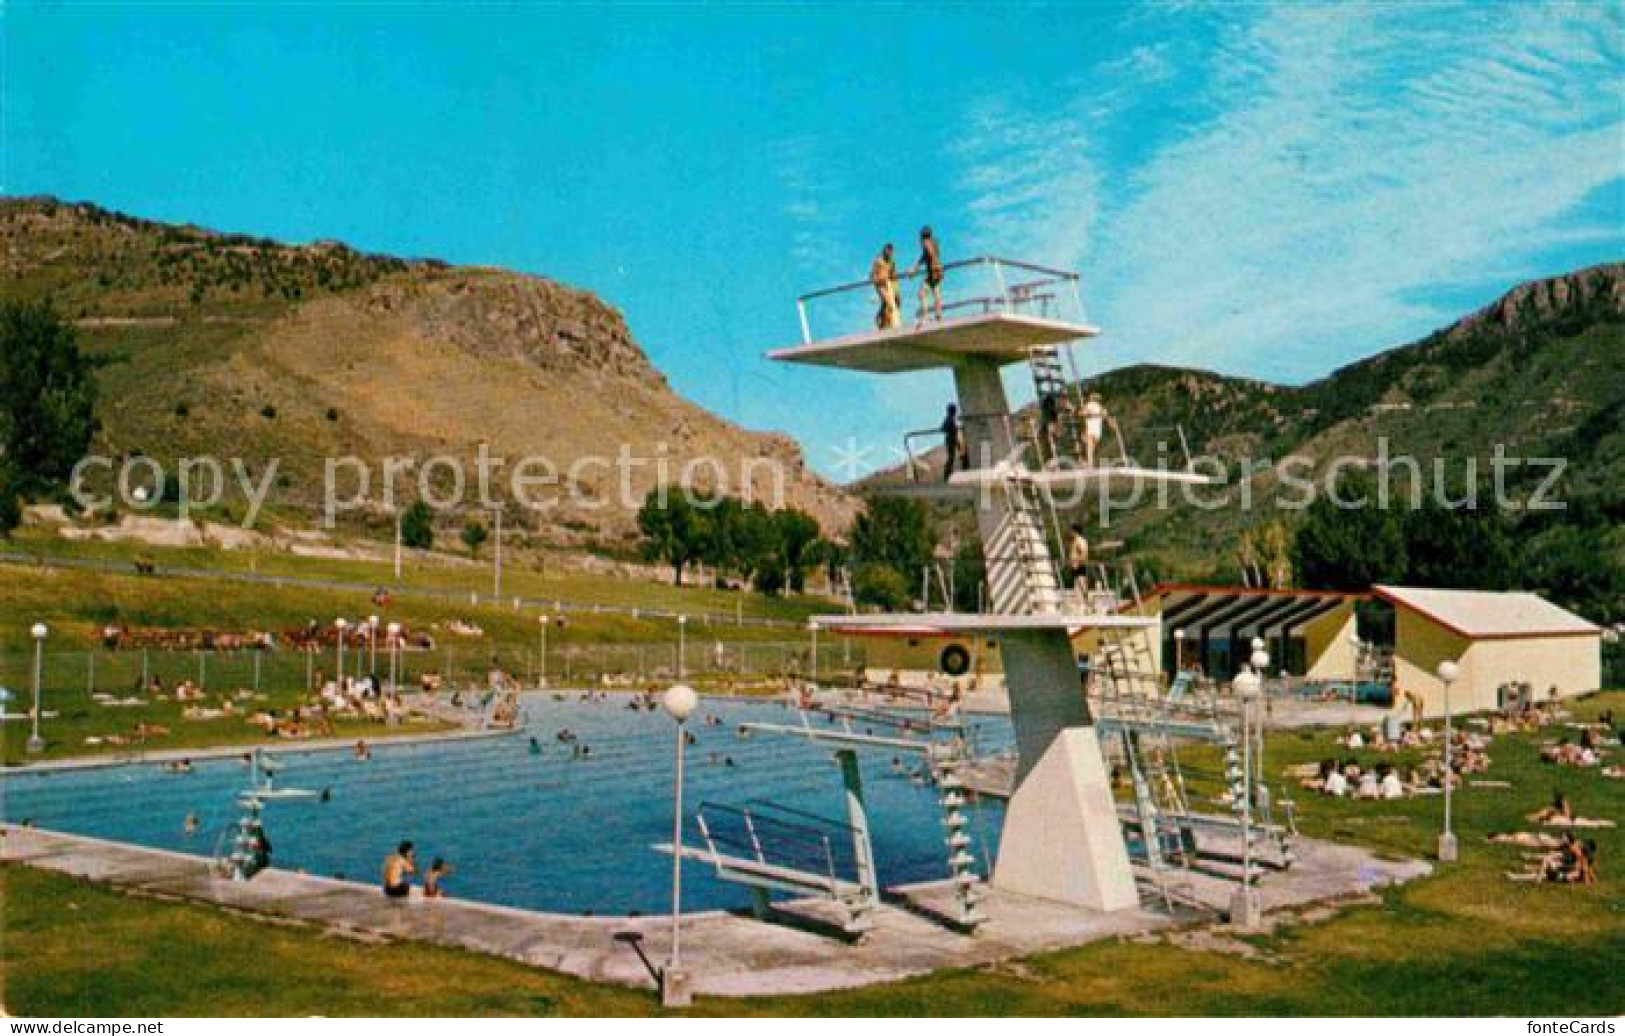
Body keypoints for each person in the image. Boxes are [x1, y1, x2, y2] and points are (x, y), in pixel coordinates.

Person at [909, 225, 944, 325]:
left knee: (922, 293)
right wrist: (915, 268)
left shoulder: (926, 243)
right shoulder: (934, 242)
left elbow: (930, 254)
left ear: (922, 236)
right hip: (937, 271)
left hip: (933, 272)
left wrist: (934, 265)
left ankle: (925, 316)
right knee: (936, 292)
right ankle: (938, 314)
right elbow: (924, 258)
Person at [870, 244, 901, 330]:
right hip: (880, 286)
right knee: (889, 304)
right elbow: (872, 274)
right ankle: (886, 325)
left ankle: (880, 321)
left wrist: (896, 288)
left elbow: (893, 274)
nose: (889, 253)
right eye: (888, 251)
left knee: (886, 303)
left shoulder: (891, 261)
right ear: (884, 250)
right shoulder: (878, 260)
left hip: (888, 285)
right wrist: (875, 280)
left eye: (891, 252)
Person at [1082, 392, 1108, 467]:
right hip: (1097, 429)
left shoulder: (1089, 405)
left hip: (1091, 427)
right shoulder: (1101, 407)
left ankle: (1089, 464)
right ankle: (1088, 463)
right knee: (1091, 447)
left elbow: (1084, 413)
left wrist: (1087, 414)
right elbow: (1104, 415)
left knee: (1090, 447)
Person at [940, 403, 963, 481]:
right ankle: (947, 475)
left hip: (952, 439)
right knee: (951, 458)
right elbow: (943, 428)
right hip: (951, 440)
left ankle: (948, 474)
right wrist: (952, 430)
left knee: (955, 456)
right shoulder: (949, 419)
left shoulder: (950, 419)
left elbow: (943, 429)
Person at [1066, 524, 1090, 593]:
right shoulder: (1074, 541)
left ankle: (1087, 602)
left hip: (1080, 567)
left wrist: (1077, 562)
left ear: (1075, 531)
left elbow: (1084, 553)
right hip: (1075, 568)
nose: (1070, 533)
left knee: (1082, 588)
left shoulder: (1080, 540)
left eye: (1071, 531)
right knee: (1077, 589)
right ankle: (1082, 602)